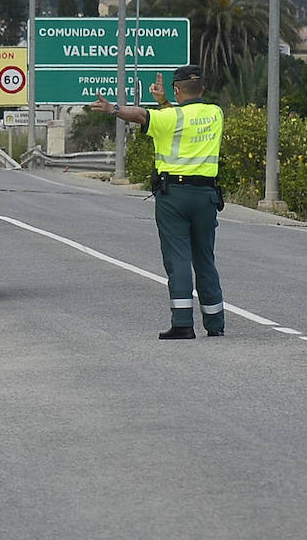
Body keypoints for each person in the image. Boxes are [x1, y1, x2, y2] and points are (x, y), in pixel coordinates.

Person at [88, 64, 226, 340]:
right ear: (203, 88)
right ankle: (215, 323)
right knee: (204, 259)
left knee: (178, 258)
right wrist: (164, 102)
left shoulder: (169, 119)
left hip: (174, 196)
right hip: (207, 196)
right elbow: (177, 115)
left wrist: (114, 109)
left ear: (177, 89)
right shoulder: (215, 113)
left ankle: (183, 323)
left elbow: (141, 115)